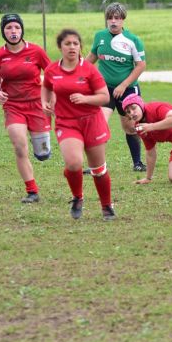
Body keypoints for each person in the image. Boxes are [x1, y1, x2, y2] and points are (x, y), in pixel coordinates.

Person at [42, 29, 115, 221]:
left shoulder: (90, 69)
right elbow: (46, 87)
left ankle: (106, 206)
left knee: (98, 170)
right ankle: (77, 197)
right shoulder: (52, 70)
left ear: (80, 47)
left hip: (92, 122)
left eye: (75, 43)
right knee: (74, 163)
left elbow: (104, 97)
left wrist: (85, 98)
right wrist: (45, 102)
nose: (72, 47)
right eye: (68, 44)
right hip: (67, 123)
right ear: (60, 47)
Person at [0, 13, 52, 203]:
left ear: (21, 30)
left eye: (16, 27)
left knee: (43, 154)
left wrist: (50, 100)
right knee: (19, 147)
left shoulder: (36, 51)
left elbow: (51, 75)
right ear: (3, 31)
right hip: (13, 106)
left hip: (36, 105)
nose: (13, 31)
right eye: (9, 28)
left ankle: (41, 149)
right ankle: (32, 191)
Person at [86, 2, 147, 172]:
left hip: (127, 90)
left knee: (129, 127)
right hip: (104, 89)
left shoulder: (133, 40)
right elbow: (91, 57)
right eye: (110, 18)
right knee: (100, 124)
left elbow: (141, 65)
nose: (113, 21)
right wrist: (77, 72)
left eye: (117, 18)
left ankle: (137, 162)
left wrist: (123, 85)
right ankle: (97, 166)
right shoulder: (100, 36)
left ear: (122, 20)